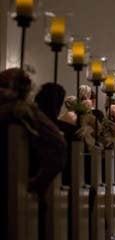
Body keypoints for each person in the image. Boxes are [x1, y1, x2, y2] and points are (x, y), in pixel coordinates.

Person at [0, 68, 66, 196]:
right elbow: (59, 147)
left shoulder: (25, 113)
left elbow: (58, 148)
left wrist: (36, 184)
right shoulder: (29, 114)